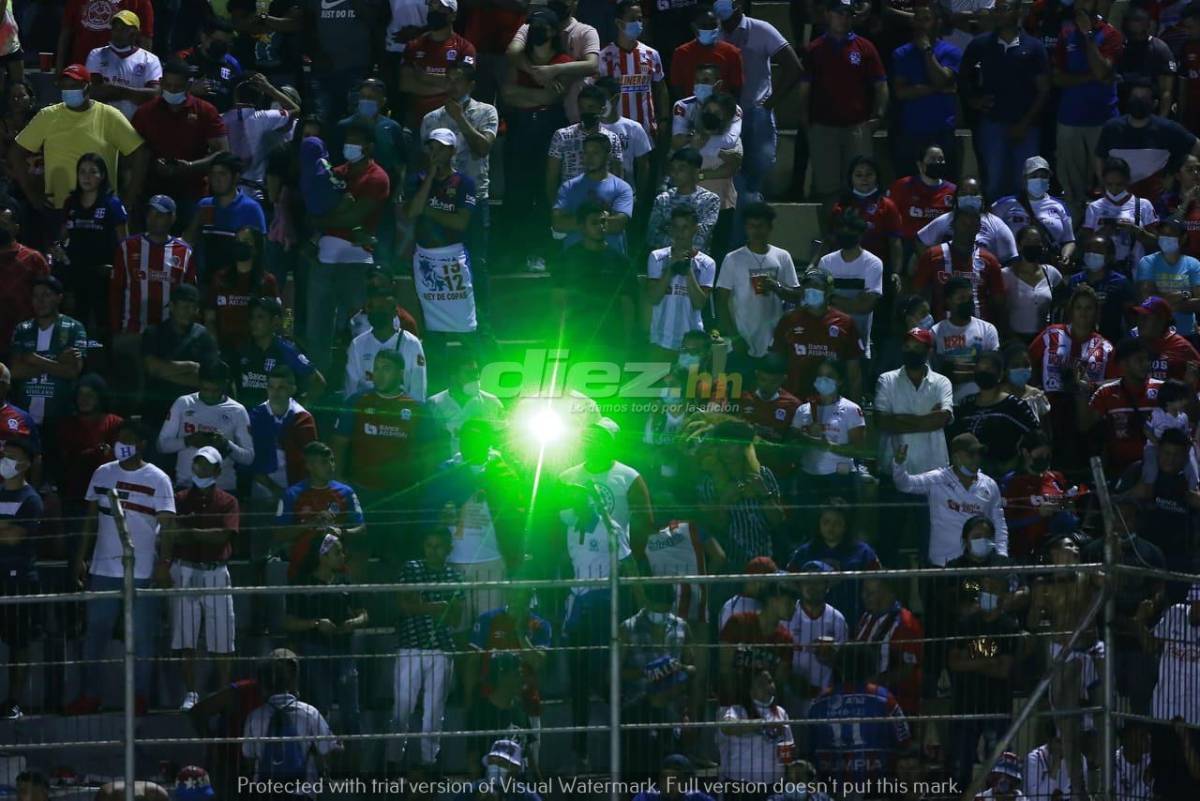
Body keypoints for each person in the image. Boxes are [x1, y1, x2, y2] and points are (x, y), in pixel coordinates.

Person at [66, 420, 174, 716]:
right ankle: (90, 695)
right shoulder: (103, 472)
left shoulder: (158, 478)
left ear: (141, 444)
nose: (120, 443)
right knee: (94, 636)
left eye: (127, 438)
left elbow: (168, 525)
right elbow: (90, 518)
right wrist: (80, 557)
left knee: (141, 638)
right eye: (118, 438)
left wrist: (164, 563)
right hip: (102, 569)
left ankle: (139, 697)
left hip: (142, 570)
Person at [333, 349, 437, 568]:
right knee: (358, 551)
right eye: (376, 368)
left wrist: (423, 487)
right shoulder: (357, 402)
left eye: (386, 368)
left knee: (396, 555)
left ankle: (394, 599)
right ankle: (356, 600)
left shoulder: (417, 408)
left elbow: (429, 454)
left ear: (401, 373)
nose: (378, 374)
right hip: (363, 492)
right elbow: (340, 442)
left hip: (400, 495)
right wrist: (339, 478)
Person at [307, 122, 390, 376]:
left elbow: (352, 219)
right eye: (348, 140)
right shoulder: (336, 173)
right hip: (325, 260)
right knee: (317, 325)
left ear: (369, 146)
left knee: (359, 324)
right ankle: (319, 378)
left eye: (356, 141)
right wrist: (334, 213)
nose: (349, 146)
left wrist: (327, 219)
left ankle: (365, 377)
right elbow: (313, 210)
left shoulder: (377, 177)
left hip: (357, 260)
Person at [9, 64, 147, 213]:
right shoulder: (47, 116)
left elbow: (140, 153)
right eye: (65, 87)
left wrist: (128, 200)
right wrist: (33, 195)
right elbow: (15, 154)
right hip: (59, 208)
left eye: (74, 86)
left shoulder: (109, 115)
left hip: (101, 208)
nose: (69, 91)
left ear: (87, 87)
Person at [420, 63, 499, 317]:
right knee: (440, 262)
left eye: (459, 80)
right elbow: (426, 161)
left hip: (475, 198)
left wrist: (460, 119)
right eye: (449, 80)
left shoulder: (487, 112)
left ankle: (481, 325)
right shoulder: (431, 119)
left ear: (471, 85)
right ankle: (444, 322)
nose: (453, 85)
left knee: (476, 262)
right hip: (441, 200)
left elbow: (483, 148)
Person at [164, 447, 239, 712]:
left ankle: (222, 691)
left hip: (216, 571)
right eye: (198, 465)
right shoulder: (180, 498)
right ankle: (192, 693)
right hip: (185, 569)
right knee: (186, 636)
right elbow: (172, 533)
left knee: (222, 637)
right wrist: (201, 533)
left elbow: (223, 536)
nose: (201, 470)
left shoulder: (227, 501)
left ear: (217, 470)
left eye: (207, 466)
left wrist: (192, 531)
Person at [284, 532, 367, 754]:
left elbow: (364, 614)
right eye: (337, 552)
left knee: (352, 710)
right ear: (322, 556)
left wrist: (353, 623)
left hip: (343, 651)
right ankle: (321, 763)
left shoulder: (345, 581)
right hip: (315, 651)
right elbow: (289, 622)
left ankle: (356, 765)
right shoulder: (303, 583)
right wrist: (315, 624)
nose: (343, 556)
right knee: (321, 707)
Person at [959, 0, 1050, 200]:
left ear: (1018, 11)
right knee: (993, 181)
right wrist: (973, 100)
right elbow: (963, 79)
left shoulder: (1034, 46)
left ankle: (1026, 229)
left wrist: (1025, 123)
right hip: (992, 124)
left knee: (1027, 184)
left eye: (1005, 9)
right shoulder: (980, 44)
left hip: (1027, 126)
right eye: (997, 9)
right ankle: (995, 228)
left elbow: (1043, 90)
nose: (999, 13)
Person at [799, 0, 886, 206]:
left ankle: (862, 232)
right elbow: (805, 88)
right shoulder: (815, 49)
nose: (843, 18)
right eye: (839, 13)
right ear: (828, 14)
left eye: (847, 13)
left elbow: (881, 84)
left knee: (863, 184)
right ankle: (831, 234)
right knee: (827, 188)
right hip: (823, 126)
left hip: (857, 126)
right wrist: (804, 118)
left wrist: (879, 114)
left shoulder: (865, 47)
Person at [392, 528, 464, 771]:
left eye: (438, 546)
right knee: (402, 709)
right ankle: (394, 762)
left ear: (448, 548)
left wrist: (423, 604)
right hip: (410, 647)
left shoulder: (455, 576)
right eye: (429, 545)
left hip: (442, 649)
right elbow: (405, 606)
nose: (433, 550)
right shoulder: (411, 567)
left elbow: (455, 618)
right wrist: (438, 606)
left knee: (434, 714)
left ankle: (429, 764)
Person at [132, 59, 230, 229]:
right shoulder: (145, 112)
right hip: (152, 191)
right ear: (161, 83)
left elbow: (222, 153)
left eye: (178, 87)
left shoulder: (205, 111)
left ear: (188, 85)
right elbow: (134, 155)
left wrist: (191, 166)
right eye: (168, 85)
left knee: (191, 248)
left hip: (193, 193)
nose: (172, 90)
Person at [404, 127, 479, 347]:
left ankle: (469, 372)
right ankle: (437, 375)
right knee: (430, 321)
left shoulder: (465, 183)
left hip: (453, 257)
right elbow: (410, 212)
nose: (435, 153)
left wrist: (427, 210)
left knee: (465, 319)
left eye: (441, 149)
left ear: (453, 151)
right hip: (425, 258)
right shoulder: (416, 180)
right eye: (432, 148)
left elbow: (460, 222)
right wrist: (429, 177)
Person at [1052, 0, 1124, 218]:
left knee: (1108, 181)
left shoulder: (1111, 34)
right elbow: (1057, 78)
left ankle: (1108, 226)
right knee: (1072, 187)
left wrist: (1087, 35)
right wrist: (1091, 77)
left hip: (1102, 119)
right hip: (1070, 118)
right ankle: (1075, 231)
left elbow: (1102, 70)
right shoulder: (1065, 35)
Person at [892, 432, 1008, 565]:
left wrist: (1001, 554)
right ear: (956, 457)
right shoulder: (937, 479)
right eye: (971, 454)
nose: (976, 458)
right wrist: (899, 465)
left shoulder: (990, 485)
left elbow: (999, 524)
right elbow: (905, 485)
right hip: (943, 564)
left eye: (979, 453)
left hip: (979, 562)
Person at [807, 644, 912, 784]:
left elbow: (809, 746)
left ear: (839, 666)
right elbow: (904, 741)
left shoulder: (820, 702)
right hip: (877, 783)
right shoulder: (884, 698)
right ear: (871, 666)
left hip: (831, 783)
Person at [716, 202, 799, 368]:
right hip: (742, 338)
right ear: (745, 228)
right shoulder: (733, 258)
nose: (756, 231)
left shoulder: (782, 256)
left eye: (761, 226)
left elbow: (796, 295)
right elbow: (721, 301)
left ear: (769, 227)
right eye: (751, 226)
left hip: (774, 339)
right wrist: (734, 337)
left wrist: (777, 287)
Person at [551, 201, 637, 357]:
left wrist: (628, 339)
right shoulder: (566, 259)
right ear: (582, 227)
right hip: (577, 339)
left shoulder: (621, 262)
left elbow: (627, 303)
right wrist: (560, 337)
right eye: (594, 223)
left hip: (612, 339)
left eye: (603, 222)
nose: (600, 227)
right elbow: (559, 301)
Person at [1096, 76, 1200, 202]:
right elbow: (1099, 157)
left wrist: (1173, 175)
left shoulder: (1168, 129)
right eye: (1135, 98)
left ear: (1154, 103)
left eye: (1144, 98)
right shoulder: (1112, 128)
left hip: (1156, 202)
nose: (1138, 101)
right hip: (1118, 199)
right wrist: (1104, 185)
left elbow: (1196, 146)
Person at [241, 647, 336, 782]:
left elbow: (249, 757)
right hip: (302, 791)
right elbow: (327, 751)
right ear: (295, 679)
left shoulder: (254, 717)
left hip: (266, 791)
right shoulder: (310, 713)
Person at [109, 195, 196, 343]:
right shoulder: (128, 247)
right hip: (133, 332)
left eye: (160, 214)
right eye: (150, 213)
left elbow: (190, 296)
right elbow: (116, 291)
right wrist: (115, 329)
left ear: (172, 218)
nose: (153, 218)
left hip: (171, 336)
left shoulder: (184, 252)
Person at [274, 441, 364, 583]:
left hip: (337, 573)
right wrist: (311, 524)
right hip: (301, 570)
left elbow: (361, 528)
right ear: (309, 466)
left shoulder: (346, 492)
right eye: (324, 462)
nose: (330, 466)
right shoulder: (291, 495)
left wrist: (342, 532)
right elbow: (278, 534)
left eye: (332, 461)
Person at [157, 360, 254, 491]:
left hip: (223, 488)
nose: (210, 395)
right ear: (199, 382)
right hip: (186, 487)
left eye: (216, 390)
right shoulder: (183, 404)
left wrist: (225, 444)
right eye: (205, 389)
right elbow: (161, 445)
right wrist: (189, 440)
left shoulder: (237, 411)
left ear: (225, 384)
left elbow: (248, 458)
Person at [770, 269, 865, 401]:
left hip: (830, 403)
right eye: (807, 285)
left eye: (817, 286)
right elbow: (775, 364)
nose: (810, 289)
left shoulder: (845, 323)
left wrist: (855, 409)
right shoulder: (789, 319)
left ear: (829, 291)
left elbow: (854, 373)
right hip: (794, 401)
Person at [889, 3, 961, 178]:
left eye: (926, 19)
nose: (921, 24)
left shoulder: (951, 52)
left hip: (942, 130)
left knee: (946, 185)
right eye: (918, 19)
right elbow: (902, 92)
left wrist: (927, 51)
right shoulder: (901, 54)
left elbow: (942, 78)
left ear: (937, 22)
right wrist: (938, 88)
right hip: (911, 132)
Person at [10, 277, 87, 438]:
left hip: (61, 416)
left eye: (46, 295)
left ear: (59, 298)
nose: (40, 301)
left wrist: (34, 359)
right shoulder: (22, 328)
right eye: (36, 296)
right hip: (24, 417)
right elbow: (15, 371)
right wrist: (58, 362)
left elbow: (73, 371)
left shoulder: (74, 328)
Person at [0, 438, 43, 720]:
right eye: (3, 455)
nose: (4, 460)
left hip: (18, 580)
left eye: (11, 456)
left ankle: (14, 700)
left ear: (25, 464)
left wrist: (7, 531)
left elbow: (14, 538)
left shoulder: (31, 500)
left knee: (18, 643)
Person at [505, 0, 601, 125]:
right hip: (526, 120)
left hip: (574, 114)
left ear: (575, 3)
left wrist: (554, 70)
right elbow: (512, 52)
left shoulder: (585, 32)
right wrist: (537, 73)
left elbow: (592, 65)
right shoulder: (532, 25)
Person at [140, 283, 219, 433]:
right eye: (184, 307)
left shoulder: (204, 337)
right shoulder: (153, 333)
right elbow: (153, 368)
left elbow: (207, 379)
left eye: (192, 307)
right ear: (172, 306)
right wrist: (190, 366)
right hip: (157, 412)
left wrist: (165, 372)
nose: (188, 312)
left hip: (193, 414)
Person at [1078, 337, 1162, 477]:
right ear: (1123, 364)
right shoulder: (1105, 392)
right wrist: (1081, 392)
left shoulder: (1162, 389)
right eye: (1139, 360)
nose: (1146, 364)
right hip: (1120, 470)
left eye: (1147, 360)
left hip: (1158, 469)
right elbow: (1085, 425)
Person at [948, 351, 1040, 476]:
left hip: (1006, 477)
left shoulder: (1014, 405)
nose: (983, 372)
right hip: (969, 476)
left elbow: (1035, 437)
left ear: (1000, 374)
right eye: (979, 368)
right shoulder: (965, 404)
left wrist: (1016, 464)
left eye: (989, 368)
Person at [913, 206, 1007, 324]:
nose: (967, 229)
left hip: (979, 330)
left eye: (972, 225)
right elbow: (919, 294)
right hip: (941, 328)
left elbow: (999, 301)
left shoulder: (989, 260)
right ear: (953, 225)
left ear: (978, 228)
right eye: (964, 224)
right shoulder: (932, 256)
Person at [645, 207, 716, 358]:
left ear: (695, 229)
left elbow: (699, 303)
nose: (680, 233)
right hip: (660, 339)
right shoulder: (657, 257)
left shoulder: (707, 263)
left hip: (693, 342)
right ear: (670, 229)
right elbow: (653, 297)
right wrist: (670, 269)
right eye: (676, 227)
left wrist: (688, 270)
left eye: (685, 228)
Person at [185, 152, 268, 280]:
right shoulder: (205, 205)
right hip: (208, 282)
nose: (216, 179)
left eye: (222, 174)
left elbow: (261, 252)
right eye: (213, 174)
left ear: (235, 177)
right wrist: (197, 221)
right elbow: (188, 242)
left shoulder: (251, 209)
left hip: (238, 284)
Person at [998, 430, 1079, 560]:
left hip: (1061, 543)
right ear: (1025, 453)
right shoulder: (1012, 482)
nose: (1044, 459)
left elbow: (1073, 516)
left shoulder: (1056, 477)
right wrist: (1037, 514)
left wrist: (1067, 509)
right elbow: (1005, 523)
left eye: (1048, 455)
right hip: (1028, 551)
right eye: (1040, 455)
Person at [235, 296, 324, 410]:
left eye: (260, 317)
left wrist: (298, 410)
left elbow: (318, 382)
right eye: (252, 317)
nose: (254, 322)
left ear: (275, 321)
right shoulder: (243, 350)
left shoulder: (287, 350)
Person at [552, 132, 634, 254]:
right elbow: (558, 223)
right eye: (586, 153)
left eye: (595, 153)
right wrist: (597, 222)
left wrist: (581, 222)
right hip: (575, 261)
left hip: (611, 259)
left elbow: (618, 223)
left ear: (608, 155)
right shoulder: (568, 187)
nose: (589, 158)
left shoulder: (622, 188)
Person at [343, 282, 426, 402]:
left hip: (400, 411)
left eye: (381, 308)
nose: (376, 312)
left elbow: (418, 389)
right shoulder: (357, 345)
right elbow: (350, 389)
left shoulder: (411, 344)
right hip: (367, 410)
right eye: (372, 308)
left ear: (394, 311)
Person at [399, 0, 477, 128]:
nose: (434, 12)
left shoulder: (465, 48)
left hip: (451, 121)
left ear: (453, 15)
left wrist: (424, 77)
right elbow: (406, 84)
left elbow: (462, 86)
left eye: (440, 8)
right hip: (417, 119)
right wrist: (447, 84)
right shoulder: (414, 45)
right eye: (431, 7)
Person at [820, 207, 885, 357]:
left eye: (850, 230)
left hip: (859, 342)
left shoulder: (873, 263)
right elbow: (819, 302)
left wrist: (832, 298)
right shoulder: (827, 262)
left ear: (861, 234)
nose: (845, 233)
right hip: (829, 341)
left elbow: (865, 306)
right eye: (842, 229)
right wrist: (854, 301)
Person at [598, 1, 668, 140]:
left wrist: (664, 119)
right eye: (632, 19)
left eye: (640, 19)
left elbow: (661, 89)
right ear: (619, 23)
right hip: (613, 132)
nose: (638, 23)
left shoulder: (651, 54)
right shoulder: (604, 57)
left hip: (646, 130)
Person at [716, 668, 795, 789]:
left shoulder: (781, 712)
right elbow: (727, 727)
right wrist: (763, 724)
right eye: (761, 684)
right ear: (750, 690)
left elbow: (788, 749)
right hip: (741, 785)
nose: (768, 687)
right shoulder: (738, 710)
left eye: (769, 681)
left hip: (774, 784)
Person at [990, 156, 1076, 267]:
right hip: (1012, 267)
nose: (1039, 180)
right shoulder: (1004, 205)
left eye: (1043, 176)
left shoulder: (1060, 206)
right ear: (1024, 179)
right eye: (1034, 176)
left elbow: (1069, 240)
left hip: (1047, 266)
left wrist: (1066, 256)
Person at [204, 230, 280, 353]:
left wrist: (282, 341)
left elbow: (283, 315)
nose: (239, 245)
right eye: (237, 241)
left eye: (245, 242)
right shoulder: (219, 278)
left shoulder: (267, 281)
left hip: (255, 351)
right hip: (223, 348)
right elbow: (209, 318)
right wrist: (214, 347)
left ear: (256, 249)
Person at [915, 177, 1018, 264]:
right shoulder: (944, 220)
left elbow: (1010, 259)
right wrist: (930, 264)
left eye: (974, 194)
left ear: (982, 197)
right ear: (956, 197)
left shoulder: (996, 224)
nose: (968, 197)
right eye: (964, 193)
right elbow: (920, 241)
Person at [1080, 156, 1157, 273]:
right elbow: (1084, 243)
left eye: (1119, 184)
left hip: (1134, 268)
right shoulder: (1094, 207)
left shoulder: (1143, 205)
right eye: (1109, 184)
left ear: (1128, 181)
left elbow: (1157, 241)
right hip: (1102, 270)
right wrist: (1102, 233)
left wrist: (1137, 232)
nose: (1114, 189)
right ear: (1103, 181)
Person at [931, 275, 1002, 403]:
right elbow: (935, 372)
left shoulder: (987, 329)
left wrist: (964, 374)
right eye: (961, 298)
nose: (967, 302)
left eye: (970, 298)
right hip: (948, 402)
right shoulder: (936, 332)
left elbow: (994, 368)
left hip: (981, 400)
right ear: (949, 301)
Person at [830, 156, 904, 270]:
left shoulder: (887, 206)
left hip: (879, 267)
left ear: (876, 177)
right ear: (851, 178)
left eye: (869, 174)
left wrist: (896, 272)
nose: (864, 179)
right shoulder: (840, 207)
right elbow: (831, 241)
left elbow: (895, 243)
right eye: (859, 175)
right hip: (845, 268)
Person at [85, 11, 161, 120]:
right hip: (102, 121)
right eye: (115, 28)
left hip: (135, 123)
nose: (118, 32)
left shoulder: (150, 59)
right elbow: (93, 92)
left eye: (124, 29)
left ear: (135, 33)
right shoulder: (97, 54)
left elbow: (154, 96)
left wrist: (112, 89)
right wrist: (134, 94)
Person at [1134, 217, 1200, 337]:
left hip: (1186, 333)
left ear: (1183, 238)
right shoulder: (1147, 262)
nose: (1165, 238)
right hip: (1154, 333)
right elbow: (1147, 301)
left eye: (1171, 234)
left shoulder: (1193, 264)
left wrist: (1161, 301)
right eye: (1162, 234)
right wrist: (1184, 295)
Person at [647, 148, 720, 252]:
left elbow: (701, 237)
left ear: (695, 171)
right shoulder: (663, 199)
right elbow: (652, 235)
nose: (675, 173)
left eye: (681, 169)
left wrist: (669, 230)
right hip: (666, 257)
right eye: (673, 169)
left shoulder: (710, 200)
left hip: (697, 259)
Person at [1067, 231, 1133, 343]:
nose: (1092, 254)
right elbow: (1067, 313)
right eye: (1089, 250)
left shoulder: (1120, 282)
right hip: (1079, 340)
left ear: (1109, 256)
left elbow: (1130, 316)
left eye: (1098, 250)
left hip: (1111, 341)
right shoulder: (1075, 280)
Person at [888, 145, 957, 250]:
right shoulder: (902, 186)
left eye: (941, 159)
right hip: (908, 245)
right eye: (932, 159)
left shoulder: (953, 191)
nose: (937, 163)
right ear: (920, 165)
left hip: (940, 247)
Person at [1002, 226, 1064, 339]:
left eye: (1036, 241)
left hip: (1044, 339)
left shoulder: (1051, 273)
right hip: (1014, 340)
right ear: (1019, 246)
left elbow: (1064, 301)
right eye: (1028, 241)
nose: (1033, 245)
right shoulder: (1005, 275)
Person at [57, 0, 154, 71]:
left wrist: (143, 73)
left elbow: (145, 39)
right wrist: (59, 67)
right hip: (80, 71)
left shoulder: (140, 2)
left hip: (122, 73)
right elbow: (66, 32)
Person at [669, 9, 743, 100]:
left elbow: (736, 88)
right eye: (704, 25)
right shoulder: (681, 53)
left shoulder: (732, 53)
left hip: (722, 110)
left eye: (713, 25)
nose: (709, 29)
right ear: (694, 27)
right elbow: (677, 86)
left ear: (719, 26)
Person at [1131, 295, 1200, 381]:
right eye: (1139, 317)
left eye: (1146, 318)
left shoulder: (1181, 348)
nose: (1140, 322)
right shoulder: (1132, 343)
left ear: (1161, 320)